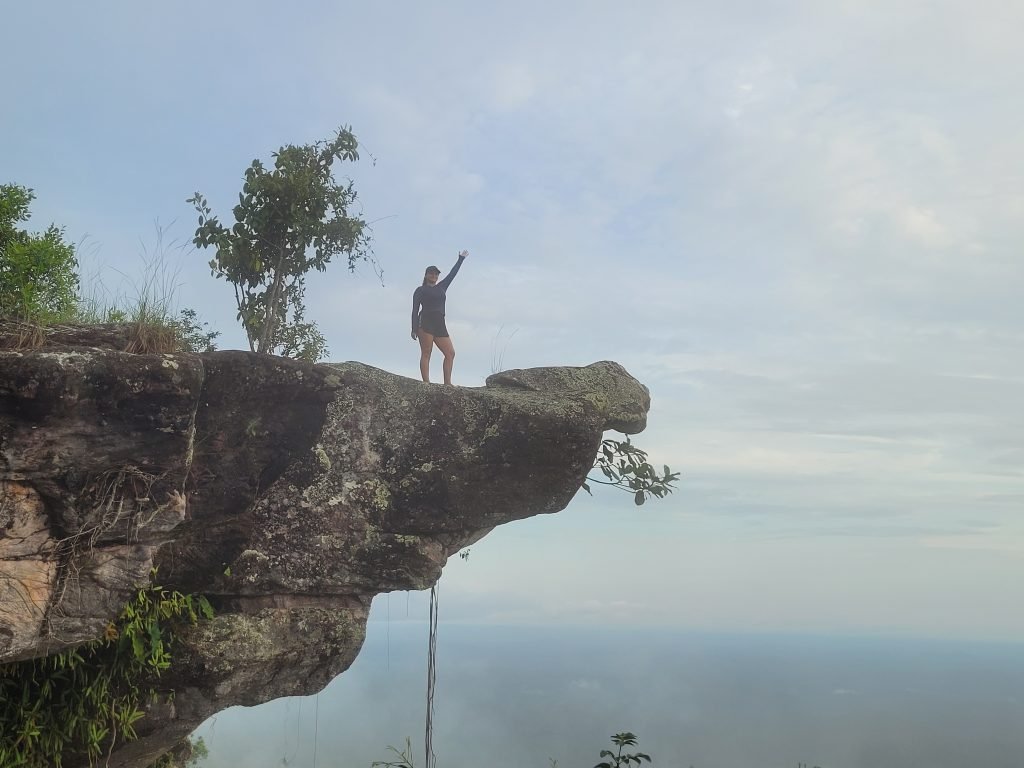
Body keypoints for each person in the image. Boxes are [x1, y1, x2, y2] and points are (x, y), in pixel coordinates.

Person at [411, 249, 468, 385]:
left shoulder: (442, 287)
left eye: (436, 274)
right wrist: (414, 328)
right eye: (431, 273)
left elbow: (452, 274)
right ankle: (426, 383)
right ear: (426, 275)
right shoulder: (420, 290)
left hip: (439, 323)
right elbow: (414, 310)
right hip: (425, 322)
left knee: (450, 353)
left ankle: (447, 384)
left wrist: (460, 259)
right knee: (426, 353)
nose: (434, 276)